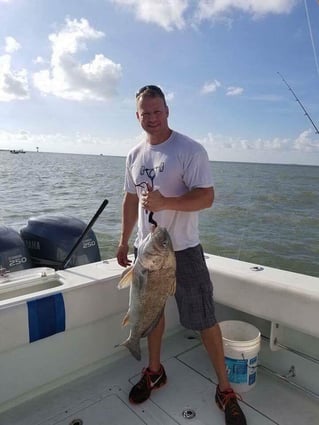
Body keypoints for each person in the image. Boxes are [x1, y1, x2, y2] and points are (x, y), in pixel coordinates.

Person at [116, 85, 247, 425]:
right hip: (145, 251)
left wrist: (166, 202)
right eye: (146, 113)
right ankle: (155, 371)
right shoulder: (133, 155)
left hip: (184, 251)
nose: (152, 118)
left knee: (204, 318)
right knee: (152, 315)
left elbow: (206, 197)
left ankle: (224, 388)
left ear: (168, 111)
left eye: (158, 111)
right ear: (137, 116)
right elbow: (130, 200)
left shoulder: (189, 150)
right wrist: (123, 240)